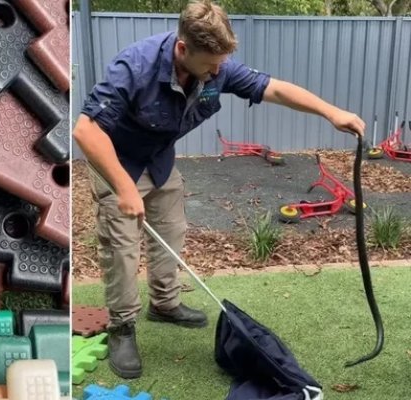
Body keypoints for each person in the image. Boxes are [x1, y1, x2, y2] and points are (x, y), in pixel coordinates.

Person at [72, 0, 365, 379]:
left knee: (172, 231)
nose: (218, 72)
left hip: (159, 162)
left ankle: (164, 303)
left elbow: (273, 89)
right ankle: (122, 327)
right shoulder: (135, 67)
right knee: (123, 248)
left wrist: (331, 112)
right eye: (210, 64)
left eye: (222, 63)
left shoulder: (217, 66)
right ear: (182, 48)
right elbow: (85, 130)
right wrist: (125, 188)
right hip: (117, 162)